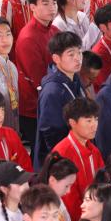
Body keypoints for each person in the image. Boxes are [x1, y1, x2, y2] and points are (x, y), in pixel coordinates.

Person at [14, 0, 60, 145]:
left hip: (53, 97)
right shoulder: (28, 37)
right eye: (45, 3)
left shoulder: (54, 30)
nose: (52, 7)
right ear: (32, 7)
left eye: (54, 2)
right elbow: (38, 78)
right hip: (35, 107)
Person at [34, 32, 84, 165]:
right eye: (71, 54)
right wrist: (63, 162)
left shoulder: (74, 78)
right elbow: (51, 132)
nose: (78, 58)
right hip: (61, 161)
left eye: (79, 52)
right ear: (56, 58)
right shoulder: (52, 91)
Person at [51, 98, 104, 221]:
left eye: (96, 119)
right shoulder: (62, 152)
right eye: (88, 120)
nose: (94, 125)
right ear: (72, 123)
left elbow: (103, 183)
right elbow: (67, 198)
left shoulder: (94, 150)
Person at [34, 153, 77, 221]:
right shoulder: (41, 207)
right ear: (52, 180)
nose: (69, 191)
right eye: (67, 186)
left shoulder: (57, 198)